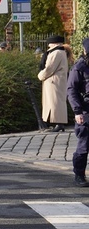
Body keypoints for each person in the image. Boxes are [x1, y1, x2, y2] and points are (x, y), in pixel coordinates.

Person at [67, 38, 89, 187]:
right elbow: (72, 90)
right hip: (86, 110)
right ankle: (79, 175)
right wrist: (77, 111)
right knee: (84, 144)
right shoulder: (79, 67)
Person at [38, 35, 70, 132]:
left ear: (54, 43)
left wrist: (40, 75)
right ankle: (58, 123)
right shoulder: (60, 52)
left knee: (55, 102)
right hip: (56, 81)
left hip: (54, 82)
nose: (49, 45)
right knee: (56, 102)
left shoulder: (56, 53)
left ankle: (59, 123)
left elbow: (49, 68)